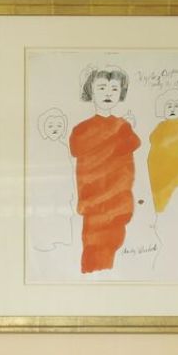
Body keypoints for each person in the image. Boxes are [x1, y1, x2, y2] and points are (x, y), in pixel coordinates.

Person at [68, 67, 141, 274]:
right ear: (90, 91)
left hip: (118, 205)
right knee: (94, 251)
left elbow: (128, 169)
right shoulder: (82, 130)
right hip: (94, 205)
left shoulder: (124, 128)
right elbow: (82, 161)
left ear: (121, 93)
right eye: (102, 88)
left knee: (114, 247)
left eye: (114, 89)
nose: (108, 93)